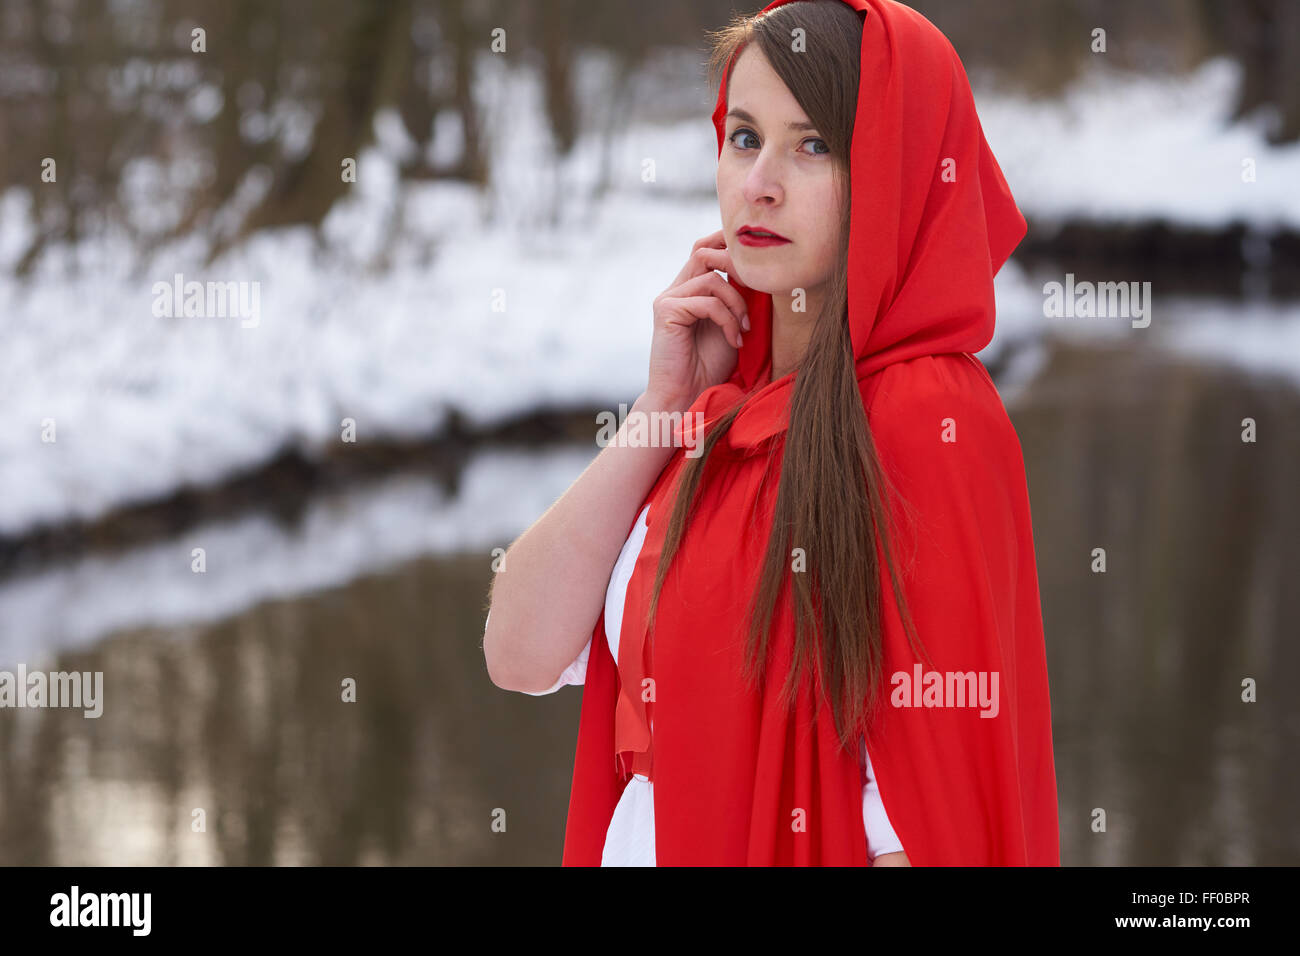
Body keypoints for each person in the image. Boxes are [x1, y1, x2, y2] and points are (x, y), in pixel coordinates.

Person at [484, 0, 1061, 866]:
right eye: (745, 137)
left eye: (815, 145)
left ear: (896, 171)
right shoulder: (713, 419)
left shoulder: (924, 416)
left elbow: (923, 824)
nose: (760, 182)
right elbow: (519, 652)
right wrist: (662, 407)